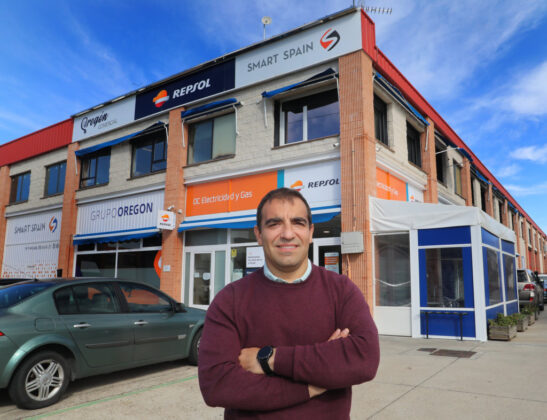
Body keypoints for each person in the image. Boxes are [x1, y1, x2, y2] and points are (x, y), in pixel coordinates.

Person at [198, 187, 380, 419]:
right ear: (258, 234)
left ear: (310, 232)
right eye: (274, 224)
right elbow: (217, 384)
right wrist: (311, 385)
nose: (287, 233)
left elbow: (364, 359)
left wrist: (270, 359)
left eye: (298, 222)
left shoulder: (341, 291)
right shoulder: (229, 301)